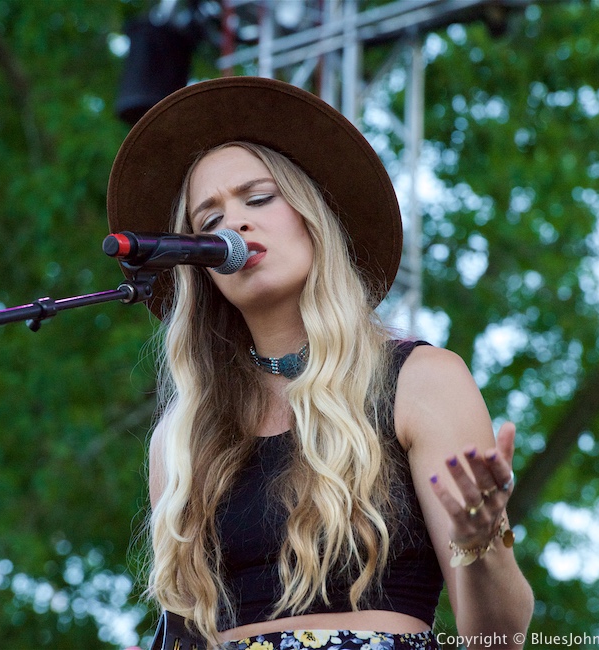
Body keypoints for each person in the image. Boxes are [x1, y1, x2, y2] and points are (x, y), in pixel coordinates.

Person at [107, 77, 534, 650]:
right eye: (208, 222)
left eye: (259, 198)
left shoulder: (421, 381)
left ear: (313, 215)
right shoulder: (181, 438)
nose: (234, 224)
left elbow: (496, 640)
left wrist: (482, 545)